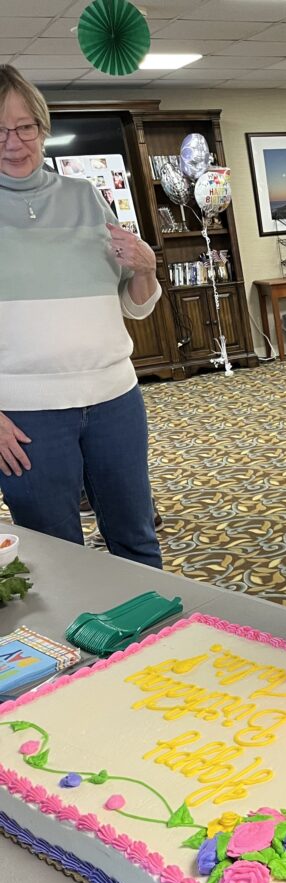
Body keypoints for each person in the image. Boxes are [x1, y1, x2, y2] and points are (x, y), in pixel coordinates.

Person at [0, 65, 163, 568]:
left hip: (115, 399)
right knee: (57, 553)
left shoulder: (86, 197)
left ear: (42, 128)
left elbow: (134, 303)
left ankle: (159, 645)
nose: (13, 142)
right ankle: (83, 651)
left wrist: (147, 269)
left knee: (136, 539)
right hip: (26, 417)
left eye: (25, 126)